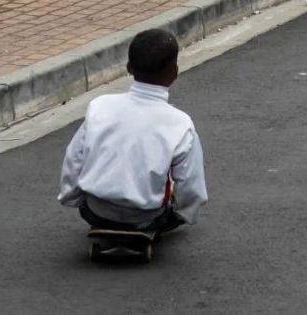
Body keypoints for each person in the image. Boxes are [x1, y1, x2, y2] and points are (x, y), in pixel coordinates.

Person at [58, 28, 207, 235]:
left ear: (129, 67)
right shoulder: (180, 123)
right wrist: (184, 213)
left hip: (95, 212)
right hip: (146, 217)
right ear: (174, 73)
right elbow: (191, 186)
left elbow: (74, 158)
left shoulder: (100, 106)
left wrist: (71, 197)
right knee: (171, 185)